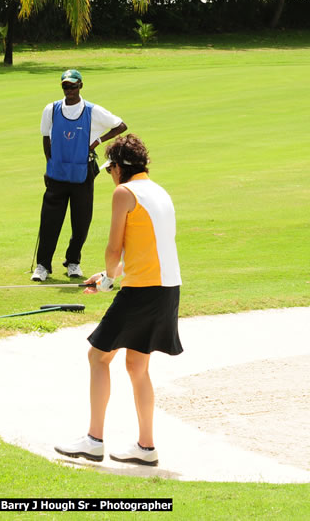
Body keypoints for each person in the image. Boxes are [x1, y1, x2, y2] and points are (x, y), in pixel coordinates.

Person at [54, 134, 182, 467]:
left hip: (143, 290)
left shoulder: (124, 192)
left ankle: (94, 440)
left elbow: (114, 248)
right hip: (166, 289)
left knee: (98, 357)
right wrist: (108, 277)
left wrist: (109, 278)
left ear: (119, 168)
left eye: (110, 168)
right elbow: (146, 251)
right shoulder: (159, 191)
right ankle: (146, 446)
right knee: (137, 366)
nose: (110, 174)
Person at [32, 69, 127, 282]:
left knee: (81, 222)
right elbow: (46, 138)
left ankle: (73, 261)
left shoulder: (92, 111)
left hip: (82, 175)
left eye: (73, 86)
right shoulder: (52, 109)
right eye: (66, 86)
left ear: (80, 86)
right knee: (49, 222)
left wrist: (98, 142)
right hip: (57, 175)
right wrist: (50, 164)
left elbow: (120, 125)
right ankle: (42, 265)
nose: (69, 90)